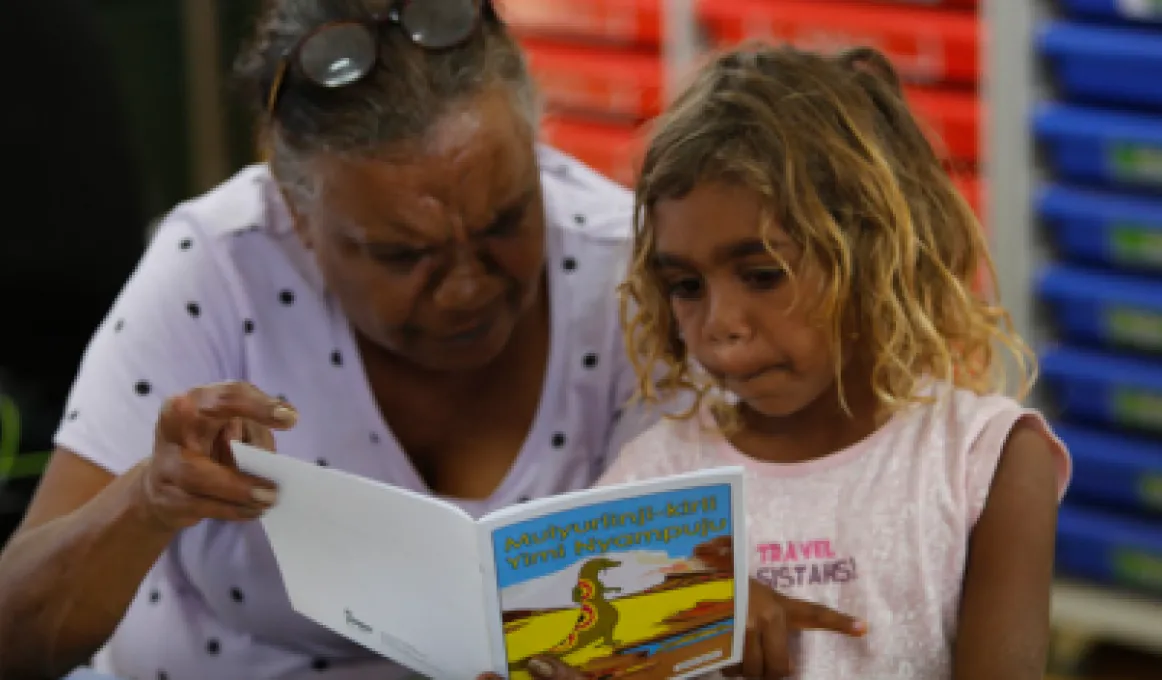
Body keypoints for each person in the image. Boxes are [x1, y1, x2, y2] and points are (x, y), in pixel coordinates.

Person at [0, 3, 856, 679]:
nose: (468, 286)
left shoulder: (627, 274)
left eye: (507, 222)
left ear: (537, 149)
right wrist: (148, 501)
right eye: (403, 254)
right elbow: (16, 634)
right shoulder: (215, 270)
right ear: (297, 217)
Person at [584, 44, 1070, 679]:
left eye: (763, 275)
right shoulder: (647, 483)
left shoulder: (984, 464)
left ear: (874, 257)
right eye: (686, 287)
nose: (720, 327)